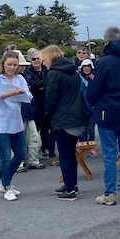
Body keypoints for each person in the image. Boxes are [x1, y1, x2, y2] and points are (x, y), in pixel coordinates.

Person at [87, 26, 120, 205]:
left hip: (107, 112)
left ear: (107, 41)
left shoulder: (103, 63)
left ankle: (110, 193)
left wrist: (93, 102)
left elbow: (93, 90)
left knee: (109, 153)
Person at [41, 44, 88, 201]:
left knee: (65, 154)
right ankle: (71, 184)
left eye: (44, 59)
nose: (43, 63)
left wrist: (48, 114)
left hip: (63, 118)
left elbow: (51, 98)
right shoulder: (72, 71)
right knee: (70, 153)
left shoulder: (53, 74)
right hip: (77, 116)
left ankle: (70, 189)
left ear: (49, 57)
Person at [0, 49, 32, 201]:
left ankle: (5, 181)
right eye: (9, 65)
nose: (12, 68)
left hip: (16, 121)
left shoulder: (20, 78)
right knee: (5, 157)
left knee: (21, 154)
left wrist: (20, 93)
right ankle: (7, 187)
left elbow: (28, 95)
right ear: (3, 64)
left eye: (15, 65)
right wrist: (14, 92)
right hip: (0, 123)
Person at [17, 55, 45, 172]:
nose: (23, 68)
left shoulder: (26, 76)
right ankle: (19, 162)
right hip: (18, 113)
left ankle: (33, 160)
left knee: (33, 137)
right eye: (21, 65)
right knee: (19, 139)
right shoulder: (8, 78)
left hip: (30, 110)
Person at [24, 48, 51, 160]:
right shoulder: (27, 72)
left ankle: (46, 148)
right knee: (34, 131)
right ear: (30, 60)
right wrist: (41, 85)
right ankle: (33, 153)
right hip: (34, 104)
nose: (36, 61)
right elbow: (32, 85)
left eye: (38, 58)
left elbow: (50, 83)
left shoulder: (46, 70)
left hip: (46, 103)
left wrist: (41, 85)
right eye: (33, 59)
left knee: (46, 129)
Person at [77, 59, 97, 154]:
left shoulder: (95, 78)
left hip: (92, 106)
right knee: (83, 129)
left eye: (88, 66)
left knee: (91, 128)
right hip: (82, 106)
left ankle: (91, 147)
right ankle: (82, 147)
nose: (86, 68)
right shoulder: (79, 79)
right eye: (84, 66)